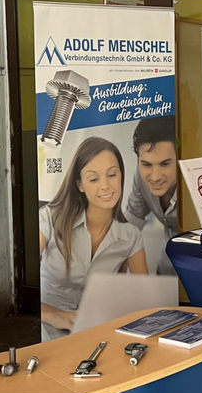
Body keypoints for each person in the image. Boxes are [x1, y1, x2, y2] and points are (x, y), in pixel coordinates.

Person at [39, 136, 148, 339]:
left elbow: (144, 301)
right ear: (80, 184)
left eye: (112, 175)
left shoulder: (130, 235)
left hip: (99, 331)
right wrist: (58, 316)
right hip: (47, 329)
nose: (106, 186)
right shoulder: (49, 218)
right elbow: (21, 295)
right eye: (94, 179)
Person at [124, 115, 178, 275]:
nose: (155, 177)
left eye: (165, 164)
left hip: (201, 270)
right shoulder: (140, 177)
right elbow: (134, 215)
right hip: (167, 266)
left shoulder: (198, 183)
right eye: (146, 164)